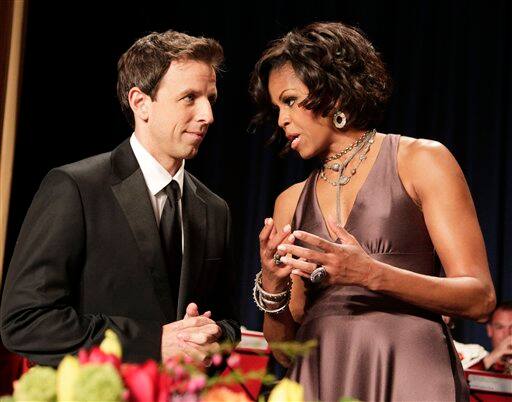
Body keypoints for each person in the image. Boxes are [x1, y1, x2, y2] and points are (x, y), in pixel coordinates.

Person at [250, 22, 496, 401]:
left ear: (331, 92)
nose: (281, 119)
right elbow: (284, 350)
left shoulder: (420, 160)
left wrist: (369, 273)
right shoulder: (289, 201)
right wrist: (273, 286)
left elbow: (479, 299)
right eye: (275, 107)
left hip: (410, 372)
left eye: (290, 100)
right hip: (320, 380)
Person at [1, 30, 240, 367]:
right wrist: (151, 342)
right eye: (190, 98)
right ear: (141, 103)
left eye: (210, 99)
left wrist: (208, 336)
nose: (208, 116)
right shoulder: (75, 188)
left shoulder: (215, 209)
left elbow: (229, 323)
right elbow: (25, 321)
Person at [482, 301, 512, 372]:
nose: (507, 334)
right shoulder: (477, 358)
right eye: (500, 327)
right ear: (489, 330)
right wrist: (493, 357)